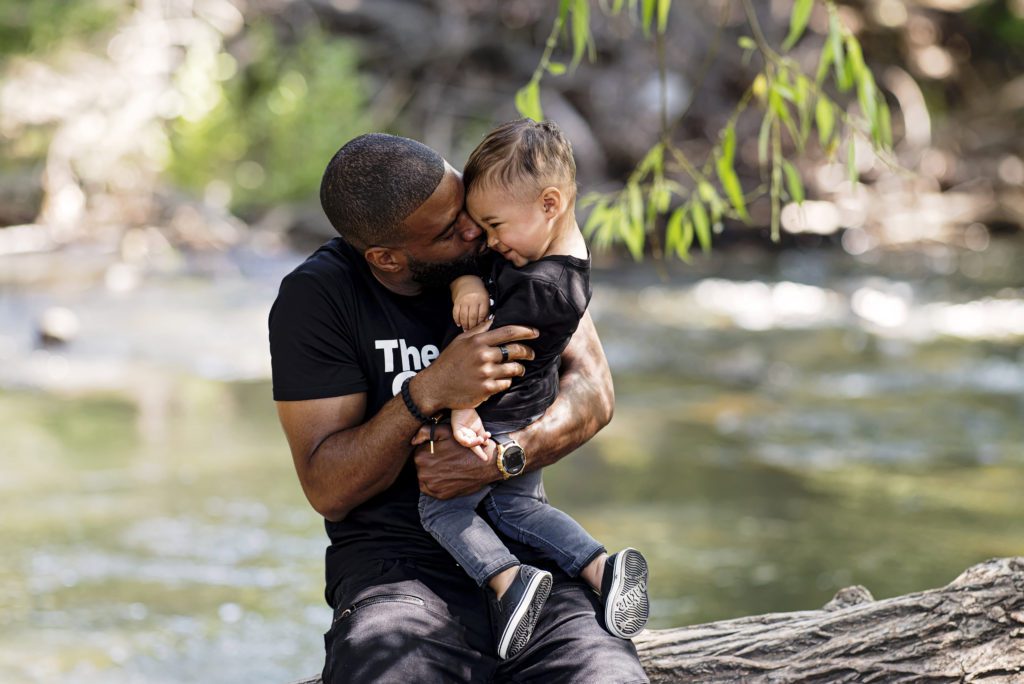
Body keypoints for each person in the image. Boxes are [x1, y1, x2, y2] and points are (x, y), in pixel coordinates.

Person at [269, 132, 649, 683]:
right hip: (397, 572)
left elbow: (595, 392)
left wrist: (505, 457)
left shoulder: (511, 241)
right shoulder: (319, 298)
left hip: (531, 551)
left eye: (467, 207)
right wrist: (428, 392)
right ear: (386, 258)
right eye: (450, 230)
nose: (474, 230)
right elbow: (327, 488)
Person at [417, 120, 649, 661]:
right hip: (525, 408)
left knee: (442, 510)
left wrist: (459, 409)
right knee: (518, 508)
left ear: (549, 203)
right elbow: (484, 265)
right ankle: (602, 568)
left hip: (496, 411)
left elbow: (491, 355)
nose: (490, 241)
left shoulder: (549, 290)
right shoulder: (540, 248)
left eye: (495, 226)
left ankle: (508, 579)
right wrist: (466, 281)